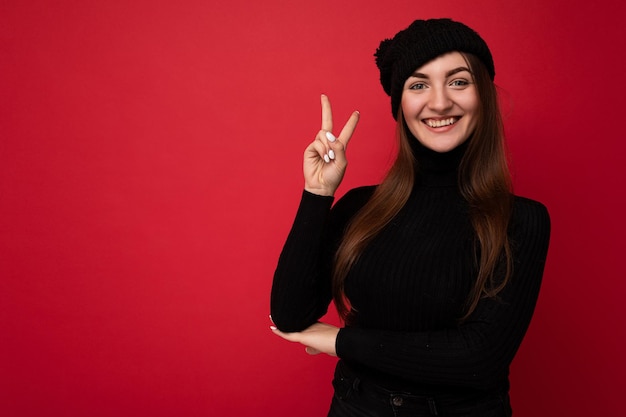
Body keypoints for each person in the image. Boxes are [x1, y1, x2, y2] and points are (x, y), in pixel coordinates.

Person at [270, 18, 550, 417]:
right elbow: (289, 314)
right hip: (356, 406)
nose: (438, 102)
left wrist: (340, 341)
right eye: (418, 85)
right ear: (400, 104)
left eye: (458, 81)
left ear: (483, 95)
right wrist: (318, 193)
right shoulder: (361, 208)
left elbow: (479, 359)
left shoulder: (521, 220)